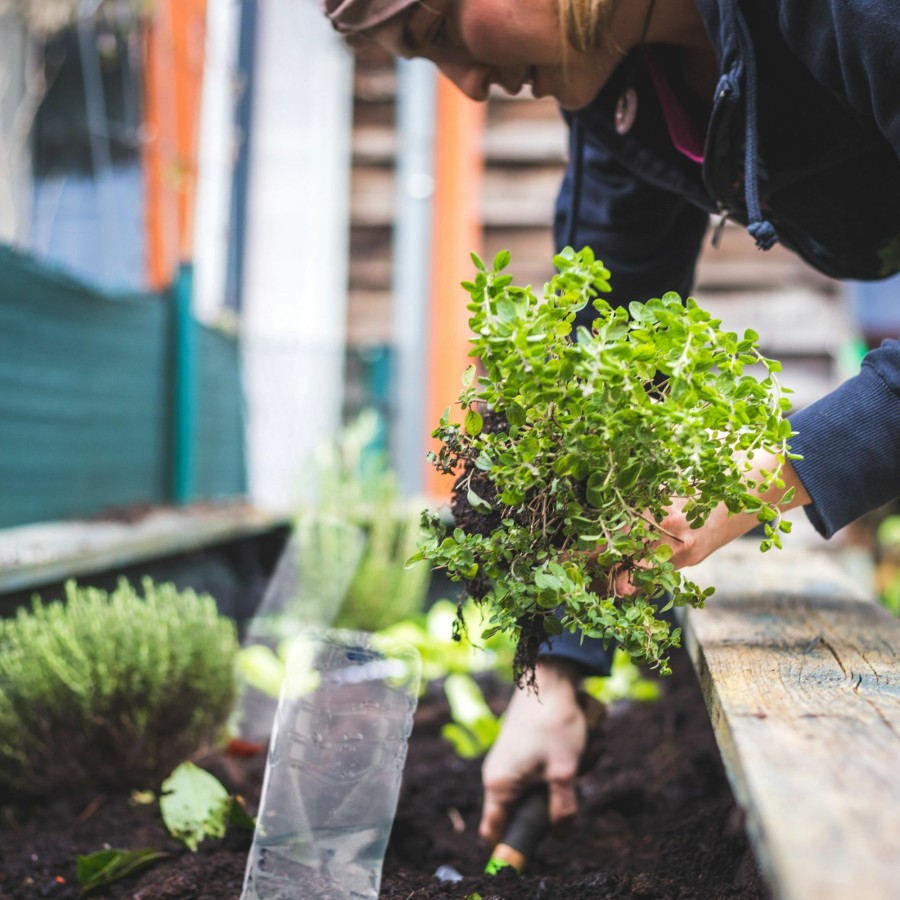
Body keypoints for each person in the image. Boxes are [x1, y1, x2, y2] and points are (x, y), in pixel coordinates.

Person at [322, 0, 900, 848]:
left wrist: (764, 470)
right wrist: (555, 670)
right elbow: (604, 350)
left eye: (441, 32)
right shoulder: (622, 88)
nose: (469, 88)